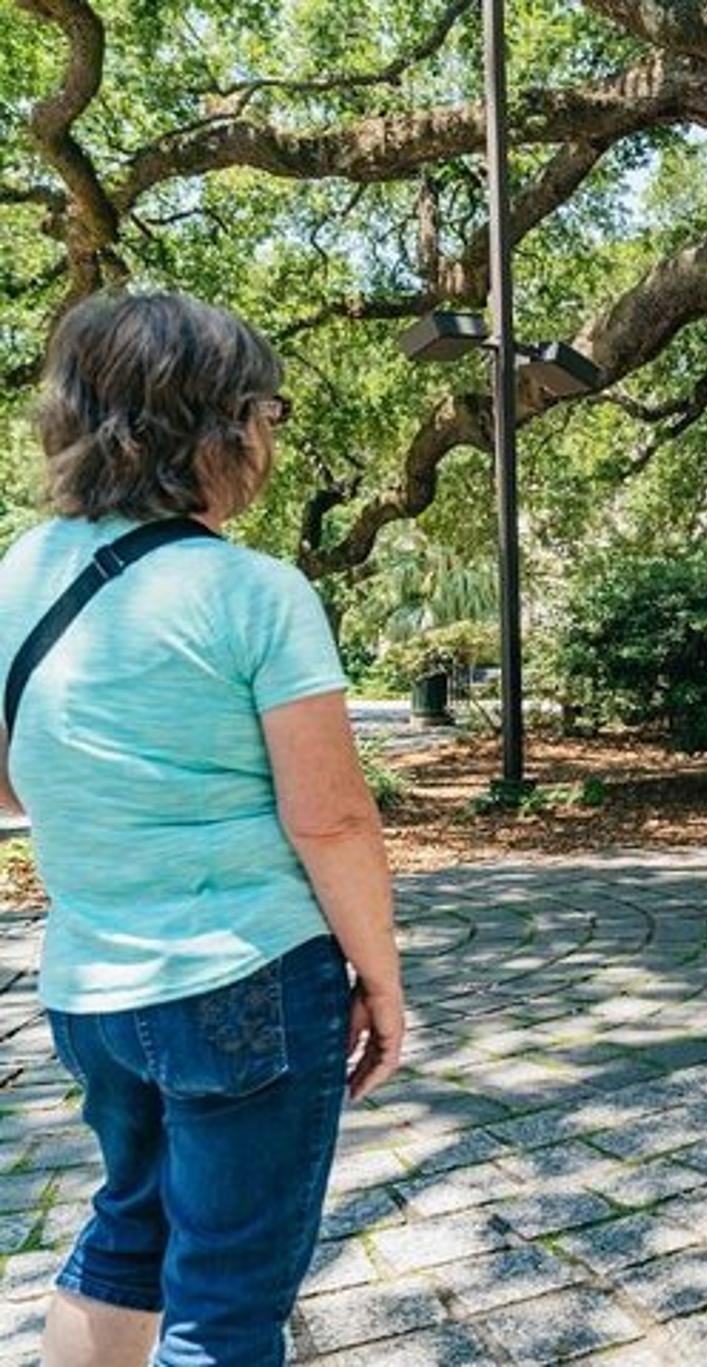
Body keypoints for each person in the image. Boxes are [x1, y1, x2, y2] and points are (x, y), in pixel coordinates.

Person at [0, 292, 405, 1364]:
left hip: (90, 986)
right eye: (267, 410)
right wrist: (383, 979)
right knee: (226, 1298)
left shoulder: (17, 574)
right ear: (215, 423)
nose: (271, 436)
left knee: (126, 1231)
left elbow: (5, 787)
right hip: (248, 980)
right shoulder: (253, 591)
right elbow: (328, 818)